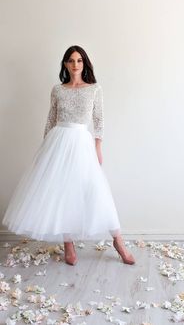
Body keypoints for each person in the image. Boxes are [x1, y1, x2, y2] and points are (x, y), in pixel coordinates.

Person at [2, 45, 135, 266]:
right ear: (65, 64)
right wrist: (45, 151)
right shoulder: (58, 89)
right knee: (61, 191)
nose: (75, 65)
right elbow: (50, 120)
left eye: (79, 60)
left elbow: (99, 120)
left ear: (85, 63)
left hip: (82, 142)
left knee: (94, 190)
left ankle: (118, 241)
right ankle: (68, 243)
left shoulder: (94, 89)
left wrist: (98, 146)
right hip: (58, 142)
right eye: (71, 60)